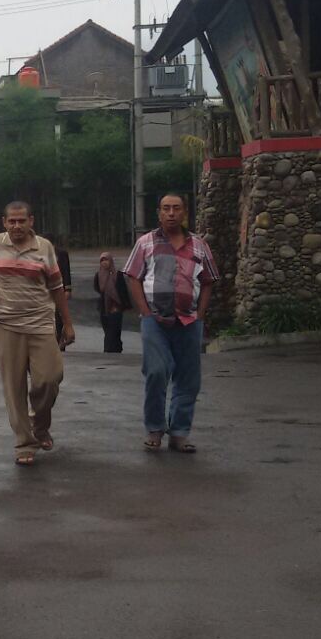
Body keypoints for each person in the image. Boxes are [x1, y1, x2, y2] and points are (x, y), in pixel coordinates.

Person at [0, 201, 76, 466]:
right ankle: (24, 443)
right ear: (4, 222)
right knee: (14, 388)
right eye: (12, 221)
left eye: (21, 221)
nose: (16, 226)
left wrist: (67, 323)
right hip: (7, 325)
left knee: (50, 378)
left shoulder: (44, 247)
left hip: (41, 323)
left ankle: (39, 425)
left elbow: (57, 286)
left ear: (31, 221)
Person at [121, 193, 219, 452]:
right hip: (155, 319)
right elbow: (133, 276)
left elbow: (208, 280)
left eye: (176, 208)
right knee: (156, 371)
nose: (171, 213)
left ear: (184, 213)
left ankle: (179, 433)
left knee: (188, 378)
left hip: (189, 320)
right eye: (166, 208)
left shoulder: (199, 245)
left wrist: (200, 314)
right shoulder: (145, 243)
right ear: (159, 213)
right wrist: (144, 312)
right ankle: (154, 428)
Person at [93, 252, 128, 354]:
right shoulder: (98, 275)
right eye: (102, 260)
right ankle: (115, 349)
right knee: (108, 331)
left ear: (111, 261)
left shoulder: (118, 275)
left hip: (116, 308)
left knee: (113, 332)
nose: (104, 263)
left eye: (106, 260)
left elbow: (123, 291)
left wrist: (121, 304)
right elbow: (97, 288)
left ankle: (109, 351)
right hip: (104, 308)